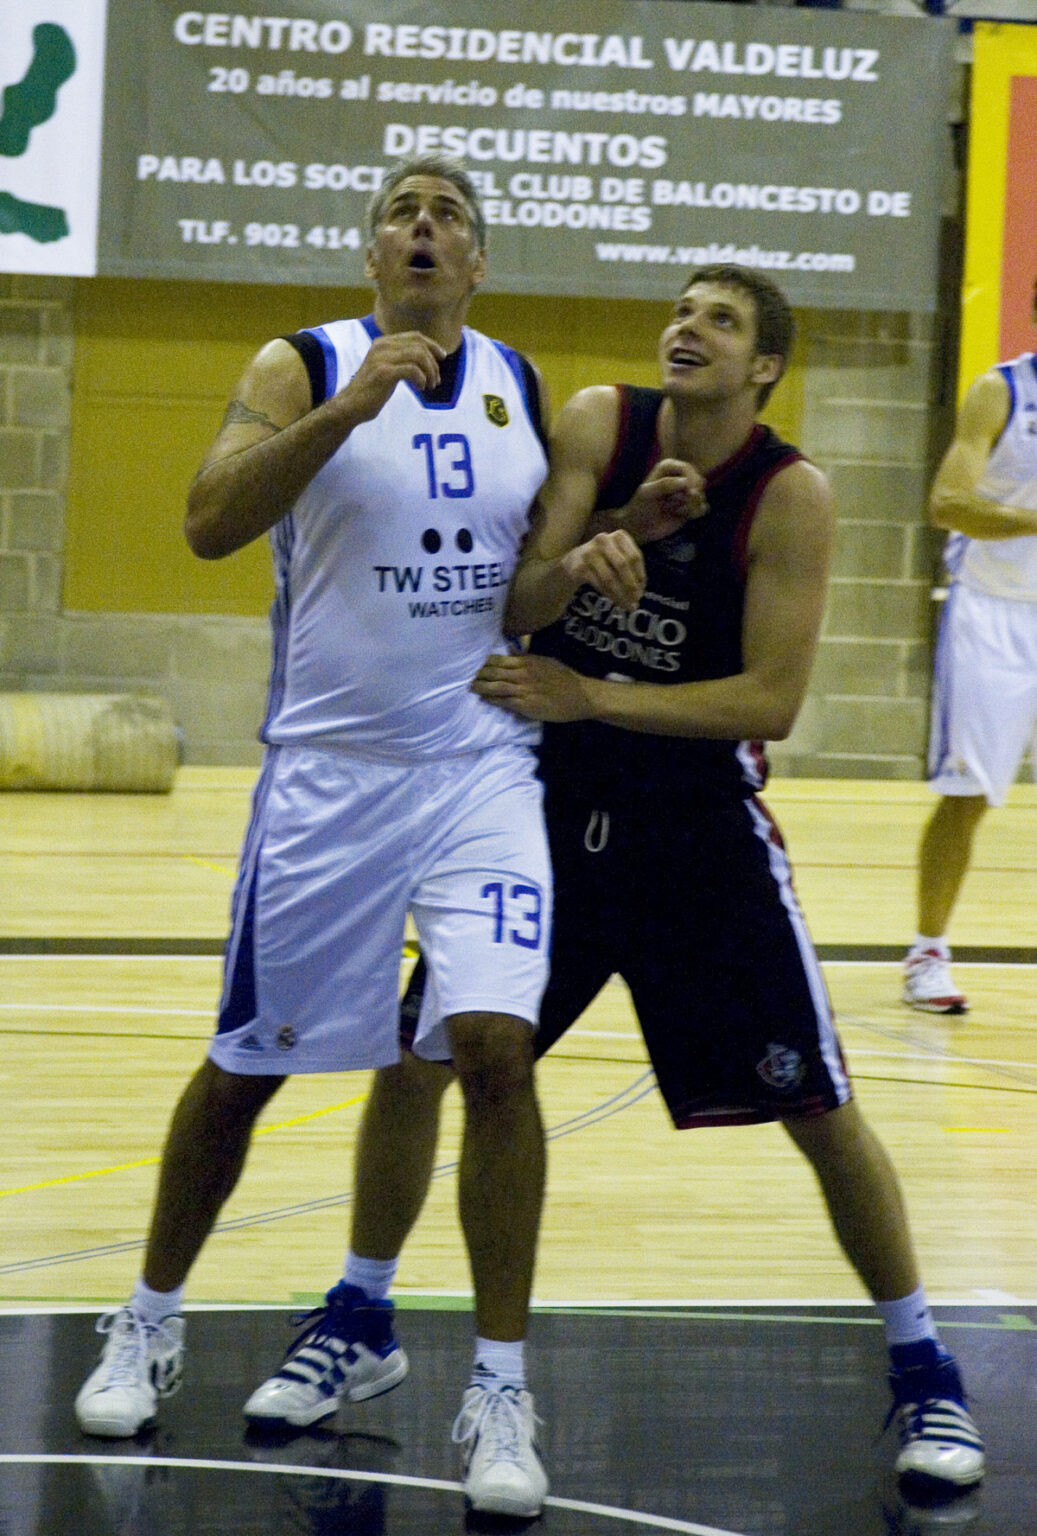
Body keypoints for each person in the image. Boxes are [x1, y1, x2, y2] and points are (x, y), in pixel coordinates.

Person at [265, 265, 984, 1497]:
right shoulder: (600, 421)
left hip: (698, 836)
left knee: (815, 1108)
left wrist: (592, 690)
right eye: (681, 311)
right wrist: (615, 549)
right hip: (543, 813)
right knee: (420, 1054)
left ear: (764, 364)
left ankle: (926, 1372)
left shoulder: (788, 495)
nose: (685, 329)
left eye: (720, 320)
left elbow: (771, 703)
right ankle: (360, 1315)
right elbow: (518, 601)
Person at [73, 153, 559, 1518]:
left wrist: (594, 556)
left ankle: (503, 1388)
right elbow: (209, 521)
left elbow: (514, 587)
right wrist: (345, 412)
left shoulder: (519, 383)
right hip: (331, 782)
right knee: (244, 1072)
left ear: (477, 264)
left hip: (478, 770)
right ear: (370, 256)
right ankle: (151, 1316)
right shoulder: (301, 365)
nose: (424, 227)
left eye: (449, 215)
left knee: (495, 1053)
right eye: (402, 212)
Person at [903, 309, 1037, 1014]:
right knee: (970, 798)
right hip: (993, 613)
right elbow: (947, 503)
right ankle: (927, 950)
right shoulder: (1001, 392)